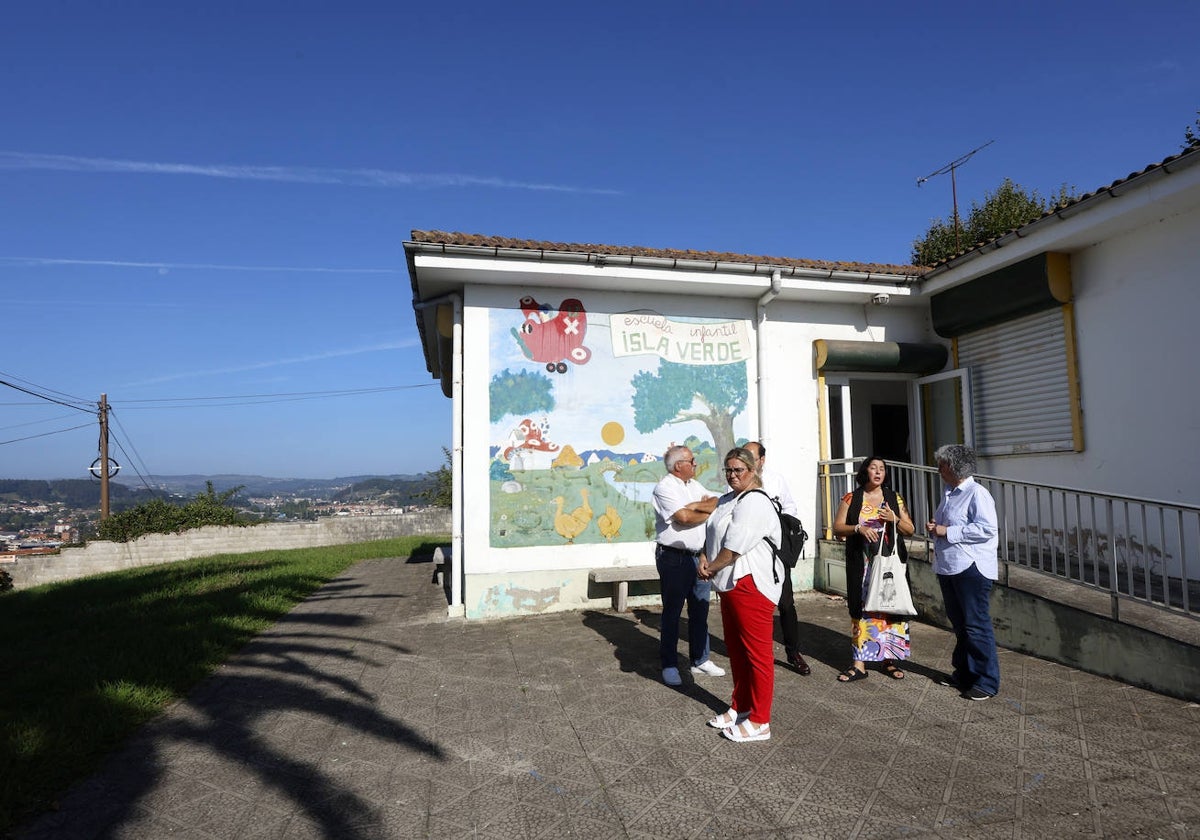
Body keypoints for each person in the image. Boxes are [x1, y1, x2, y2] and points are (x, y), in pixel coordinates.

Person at [698, 447, 783, 742]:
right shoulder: (727, 500)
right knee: (737, 651)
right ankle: (741, 706)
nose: (733, 475)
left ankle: (761, 721)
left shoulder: (755, 501)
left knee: (757, 654)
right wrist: (702, 557)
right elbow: (710, 534)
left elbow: (734, 546)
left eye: (739, 470)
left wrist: (711, 567)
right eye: (728, 470)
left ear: (753, 470)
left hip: (751, 583)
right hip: (729, 583)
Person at [926, 444, 1000, 701]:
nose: (939, 469)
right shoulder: (949, 493)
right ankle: (965, 674)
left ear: (955, 467)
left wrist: (948, 531)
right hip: (949, 565)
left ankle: (986, 682)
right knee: (960, 624)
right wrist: (936, 527)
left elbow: (987, 529)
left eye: (942, 465)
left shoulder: (977, 493)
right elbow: (948, 525)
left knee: (975, 624)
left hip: (971, 567)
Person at [832, 456, 916, 682]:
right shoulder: (852, 498)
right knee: (862, 608)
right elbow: (837, 527)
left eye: (882, 469)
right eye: (873, 468)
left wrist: (894, 518)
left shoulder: (893, 498)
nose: (878, 472)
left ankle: (889, 660)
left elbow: (910, 529)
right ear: (865, 472)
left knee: (889, 605)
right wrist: (858, 528)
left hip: (888, 563)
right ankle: (859, 664)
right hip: (863, 564)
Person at [652, 445, 722, 686]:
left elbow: (716, 502)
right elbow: (682, 519)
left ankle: (700, 659)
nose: (695, 464)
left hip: (699, 555)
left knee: (700, 609)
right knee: (672, 613)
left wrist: (695, 507)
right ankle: (669, 664)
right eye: (691, 461)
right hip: (674, 557)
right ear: (678, 465)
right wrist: (698, 510)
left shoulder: (694, 486)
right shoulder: (665, 487)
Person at [744, 441, 812, 676]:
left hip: (776, 553)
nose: (747, 462)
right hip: (750, 554)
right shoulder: (738, 481)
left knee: (786, 604)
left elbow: (791, 510)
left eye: (751, 457)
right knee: (752, 605)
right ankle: (752, 653)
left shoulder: (776, 480)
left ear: (762, 459)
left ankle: (793, 653)